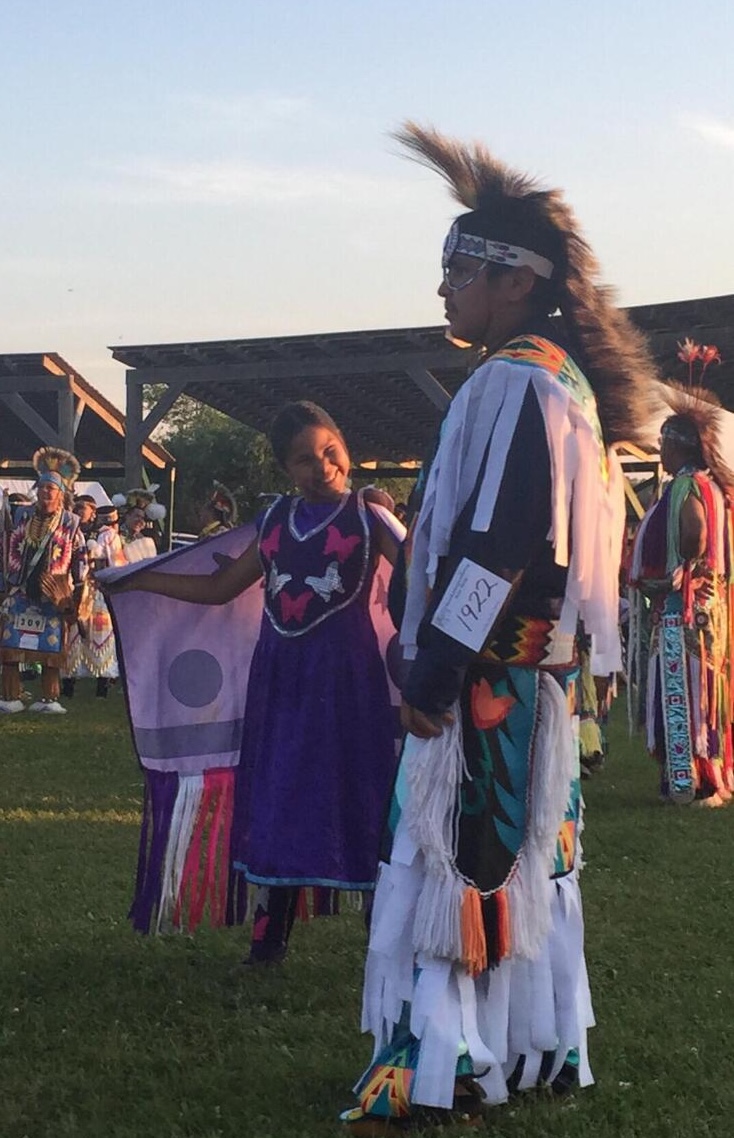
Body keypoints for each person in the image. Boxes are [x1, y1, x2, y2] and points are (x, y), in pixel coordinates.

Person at [340, 122, 658, 1132]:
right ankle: (528, 1044)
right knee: (520, 856)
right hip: (526, 678)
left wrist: (431, 672)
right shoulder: (556, 381)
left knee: (458, 853)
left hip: (485, 680)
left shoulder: (517, 380)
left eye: (458, 269)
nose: (442, 289)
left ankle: (449, 1062)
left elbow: (497, 545)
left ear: (514, 281)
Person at [109, 402, 404, 961]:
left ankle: (381, 933)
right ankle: (272, 928)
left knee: (356, 790)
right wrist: (143, 580)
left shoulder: (369, 519)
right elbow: (220, 590)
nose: (322, 467)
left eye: (329, 452)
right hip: (282, 681)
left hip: (346, 683)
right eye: (304, 460)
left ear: (347, 449)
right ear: (285, 470)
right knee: (281, 791)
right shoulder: (274, 524)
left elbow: (420, 571)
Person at [628, 371, 734, 806]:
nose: (660, 450)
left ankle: (688, 781)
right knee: (703, 692)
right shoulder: (712, 486)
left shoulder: (688, 485)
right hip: (707, 607)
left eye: (663, 443)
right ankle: (708, 775)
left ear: (679, 444)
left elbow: (695, 532)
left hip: (684, 606)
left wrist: (680, 572)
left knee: (683, 691)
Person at [0, 448, 88, 714]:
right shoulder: (22, 517)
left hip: (54, 594)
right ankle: (10, 696)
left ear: (61, 494)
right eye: (42, 489)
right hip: (22, 589)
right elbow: (9, 549)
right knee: (10, 646)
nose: (46, 493)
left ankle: (49, 700)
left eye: (51, 489)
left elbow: (80, 557)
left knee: (51, 651)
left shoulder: (71, 523)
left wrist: (77, 592)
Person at [63, 504, 127, 699]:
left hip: (90, 590)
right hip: (87, 590)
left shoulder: (95, 534)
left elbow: (116, 565)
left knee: (86, 635)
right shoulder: (102, 535)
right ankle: (94, 687)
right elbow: (117, 566)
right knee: (82, 635)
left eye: (84, 508)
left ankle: (75, 685)